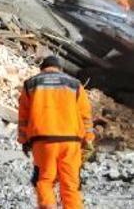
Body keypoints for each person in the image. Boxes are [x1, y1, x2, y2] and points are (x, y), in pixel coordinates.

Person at [18, 55, 94, 209]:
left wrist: (23, 140)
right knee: (71, 183)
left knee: (45, 180)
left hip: (43, 141)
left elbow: (23, 116)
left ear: (42, 68)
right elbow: (85, 115)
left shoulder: (31, 84)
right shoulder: (75, 85)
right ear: (60, 69)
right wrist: (89, 139)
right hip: (71, 142)